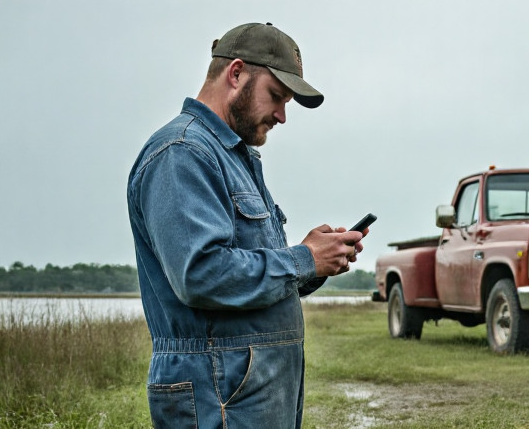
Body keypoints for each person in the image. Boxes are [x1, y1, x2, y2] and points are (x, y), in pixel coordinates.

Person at [126, 22, 366, 429]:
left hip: (245, 394)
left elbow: (254, 277)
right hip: (218, 396)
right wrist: (302, 259)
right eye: (277, 96)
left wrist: (318, 262)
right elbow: (201, 274)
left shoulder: (235, 158)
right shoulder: (182, 152)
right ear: (235, 74)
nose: (282, 115)